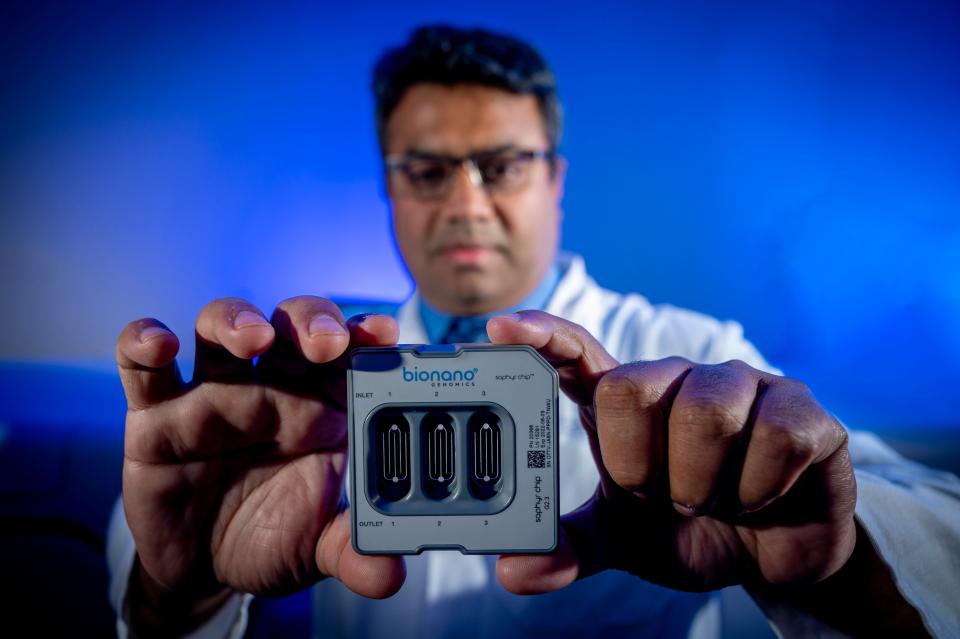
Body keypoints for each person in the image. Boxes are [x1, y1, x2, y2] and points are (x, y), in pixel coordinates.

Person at [108, 25, 959, 638]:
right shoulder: (308, 381)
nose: (468, 201)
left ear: (554, 181)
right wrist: (175, 597)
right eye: (429, 170)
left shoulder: (695, 351)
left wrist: (841, 566)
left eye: (503, 165)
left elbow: (942, 545)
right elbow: (153, 598)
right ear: (390, 191)